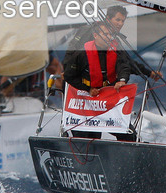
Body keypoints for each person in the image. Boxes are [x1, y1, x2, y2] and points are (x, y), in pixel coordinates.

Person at [61, 10, 160, 140]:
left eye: (123, 21)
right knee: (89, 137)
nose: (120, 24)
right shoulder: (87, 36)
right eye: (117, 20)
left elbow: (126, 63)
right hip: (83, 93)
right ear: (107, 19)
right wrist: (70, 73)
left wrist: (147, 73)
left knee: (129, 135)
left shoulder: (114, 44)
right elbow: (70, 57)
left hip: (104, 96)